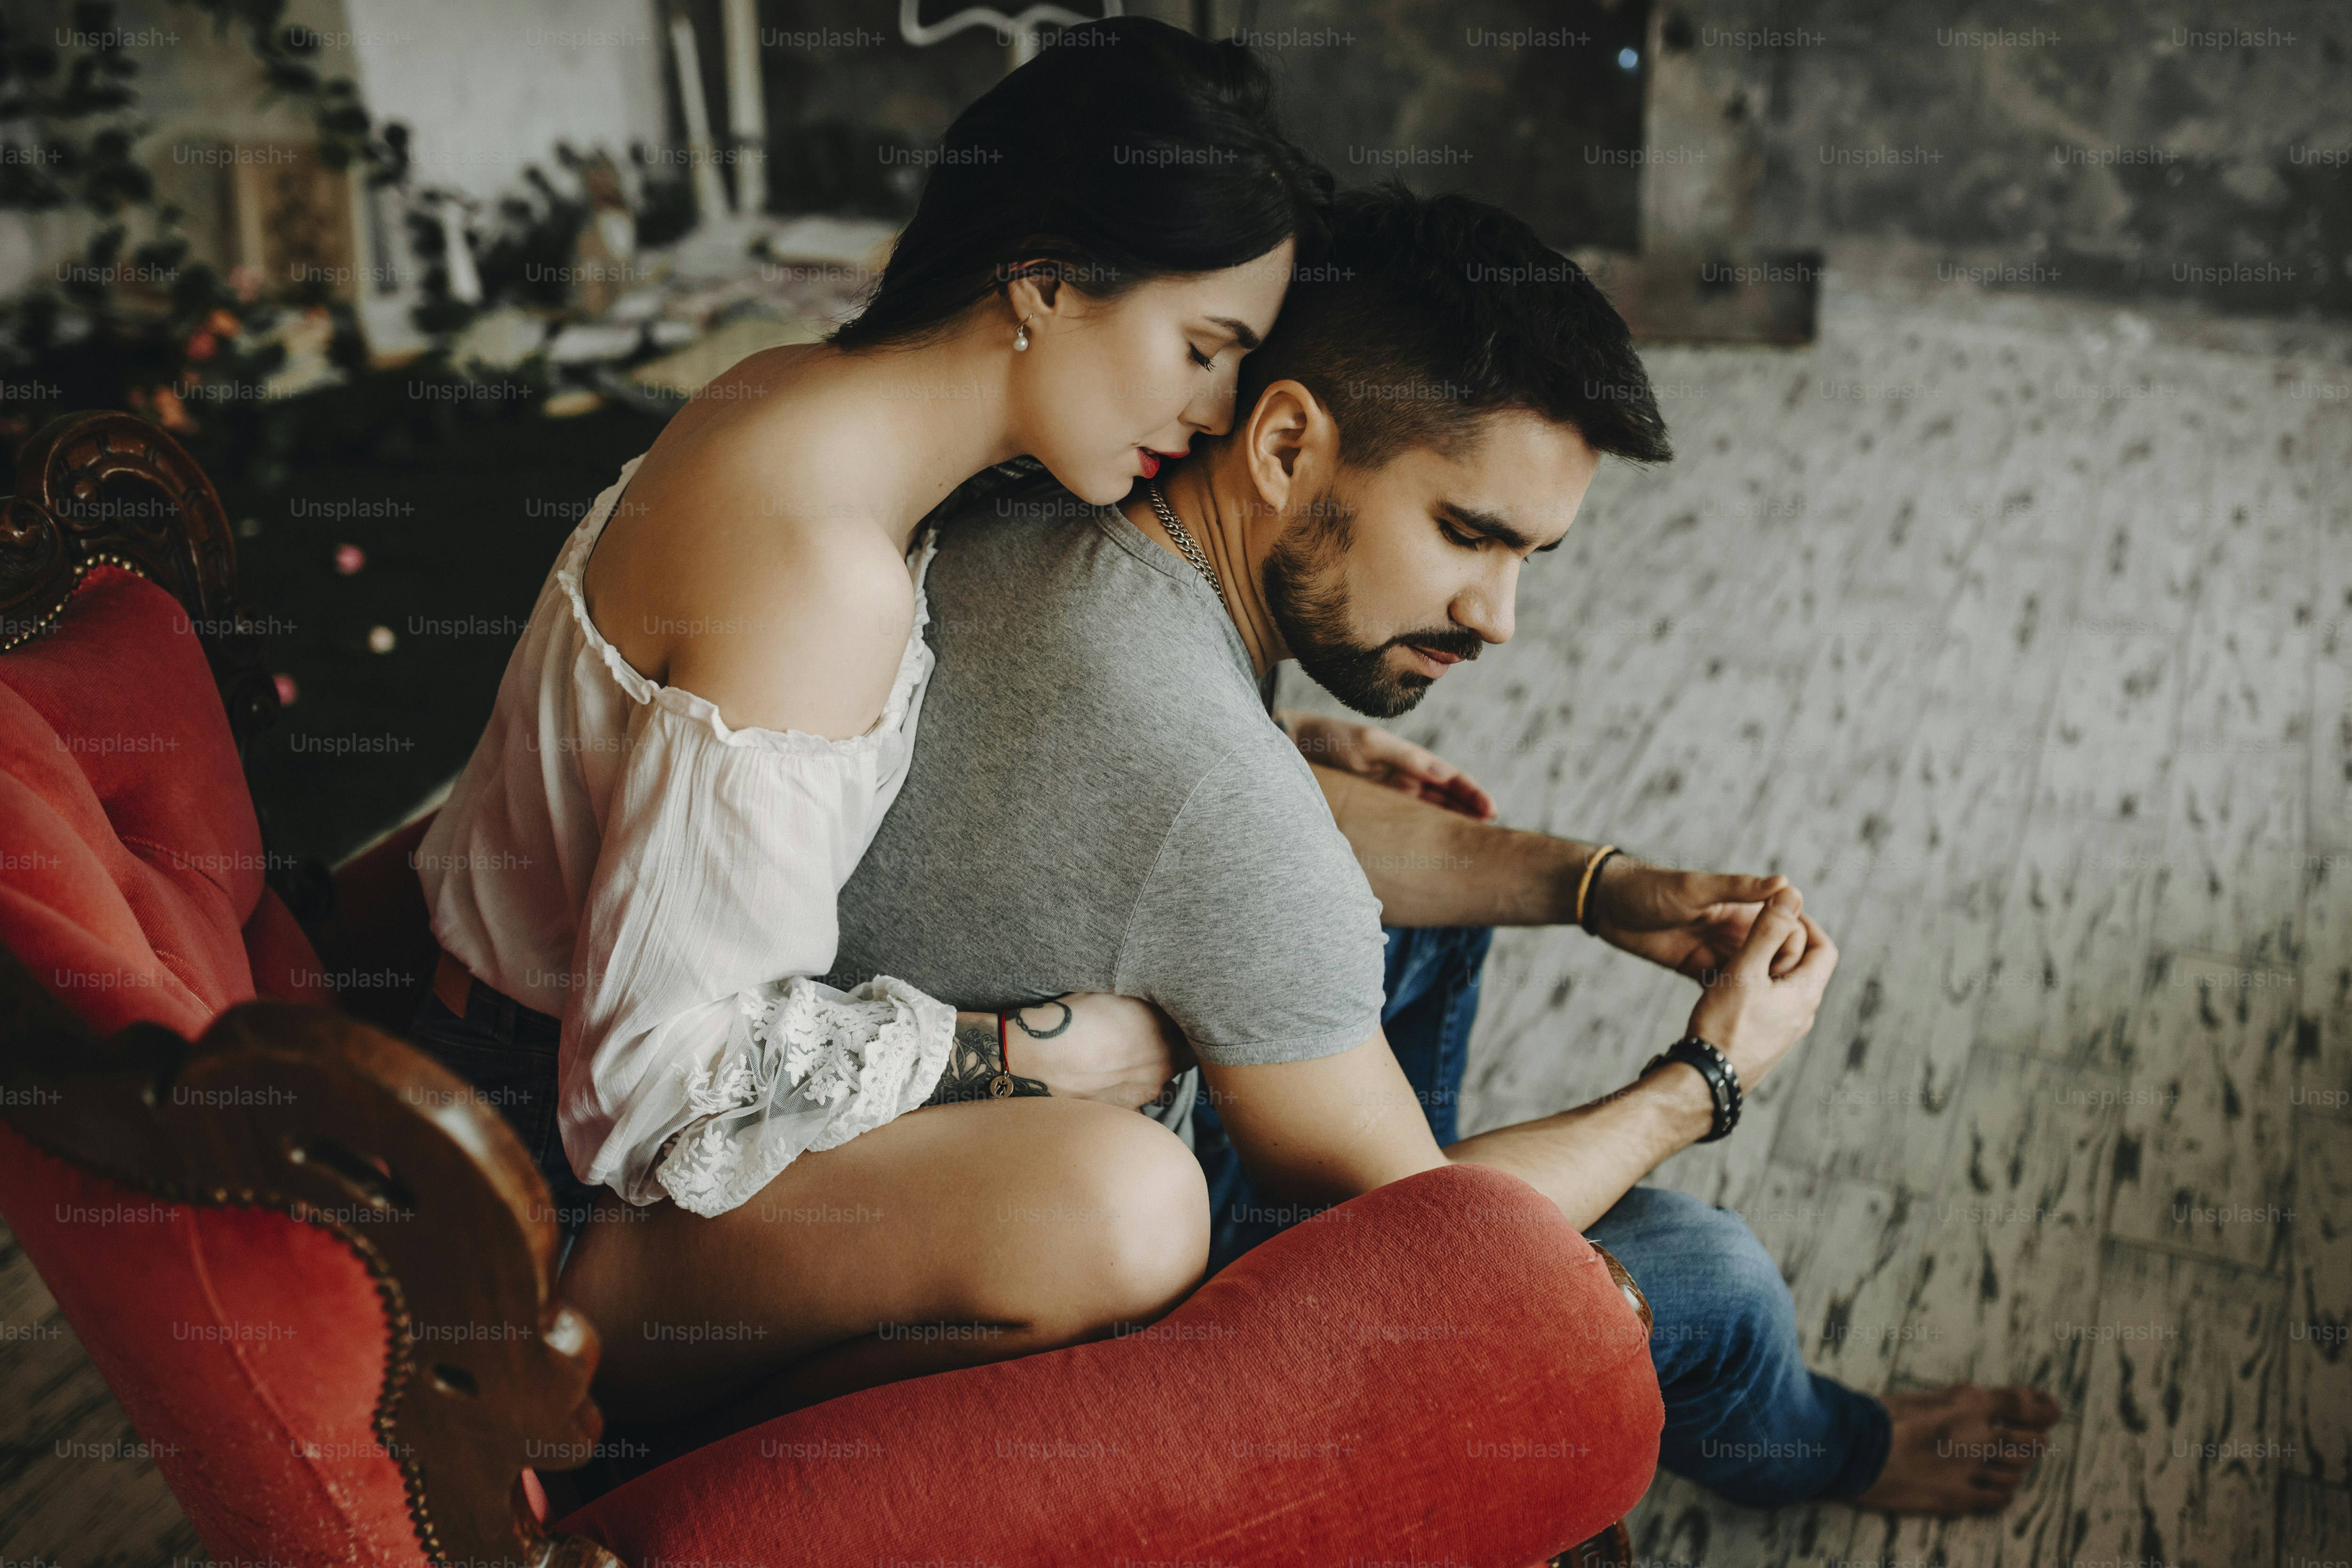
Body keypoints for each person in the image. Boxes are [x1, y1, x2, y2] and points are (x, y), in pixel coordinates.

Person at [825, 183, 2065, 1516]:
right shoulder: (1221, 795)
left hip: (936, 1167)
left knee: (1432, 897)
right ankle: (1840, 1451)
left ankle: (1363, 1120)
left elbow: (1225, 841)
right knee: (1706, 1271)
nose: (1499, 616)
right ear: (1289, 443)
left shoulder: (1054, 490)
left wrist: (1588, 886)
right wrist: (1700, 1078)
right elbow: (1432, 1238)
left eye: (1532, 555)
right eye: (1467, 535)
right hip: (1046, 1327)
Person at [407, 16, 1337, 1432]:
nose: (1214, 413)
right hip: (537, 1200)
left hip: (493, 1058)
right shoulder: (817, 566)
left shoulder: (793, 391)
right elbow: (650, 1086)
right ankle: (647, 1471)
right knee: (1126, 1207)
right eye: (1204, 350)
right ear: (1043, 280)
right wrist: (1017, 1051)